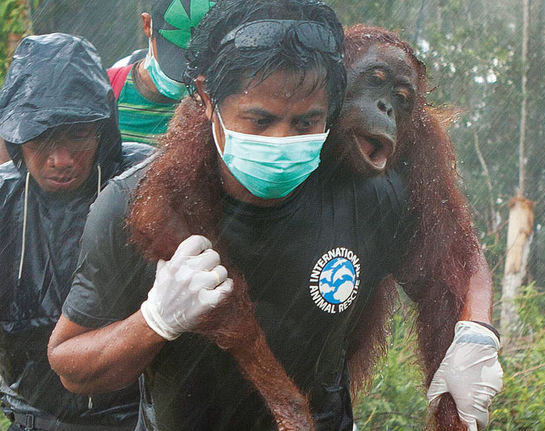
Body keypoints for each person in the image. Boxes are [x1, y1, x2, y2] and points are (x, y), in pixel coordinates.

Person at [48, 1, 501, 430]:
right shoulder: (142, 200)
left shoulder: (371, 195)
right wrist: (154, 322)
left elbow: (452, 260)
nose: (283, 139)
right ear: (206, 101)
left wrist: (473, 334)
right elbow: (71, 365)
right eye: (260, 121)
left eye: (305, 123)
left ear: (332, 105)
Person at [0, 33, 154, 431]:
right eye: (41, 139)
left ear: (103, 127)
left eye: (78, 134)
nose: (61, 160)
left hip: (134, 417)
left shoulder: (146, 185)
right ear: (16, 137)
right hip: (33, 414)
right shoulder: (4, 199)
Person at [107, 0, 216, 146]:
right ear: (147, 26)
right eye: (175, 55)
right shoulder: (107, 88)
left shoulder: (223, 101)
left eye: (201, 61)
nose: (187, 76)